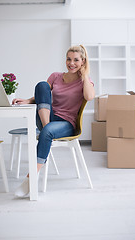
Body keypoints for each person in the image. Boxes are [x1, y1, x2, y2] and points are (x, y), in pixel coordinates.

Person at [14, 44, 95, 197]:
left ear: (83, 61)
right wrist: (28, 101)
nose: (71, 63)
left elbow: (89, 97)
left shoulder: (84, 81)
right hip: (48, 118)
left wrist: (85, 75)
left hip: (66, 124)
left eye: (76, 60)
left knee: (48, 131)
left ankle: (31, 177)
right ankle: (46, 129)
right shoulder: (56, 76)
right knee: (42, 85)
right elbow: (42, 95)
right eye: (68, 59)